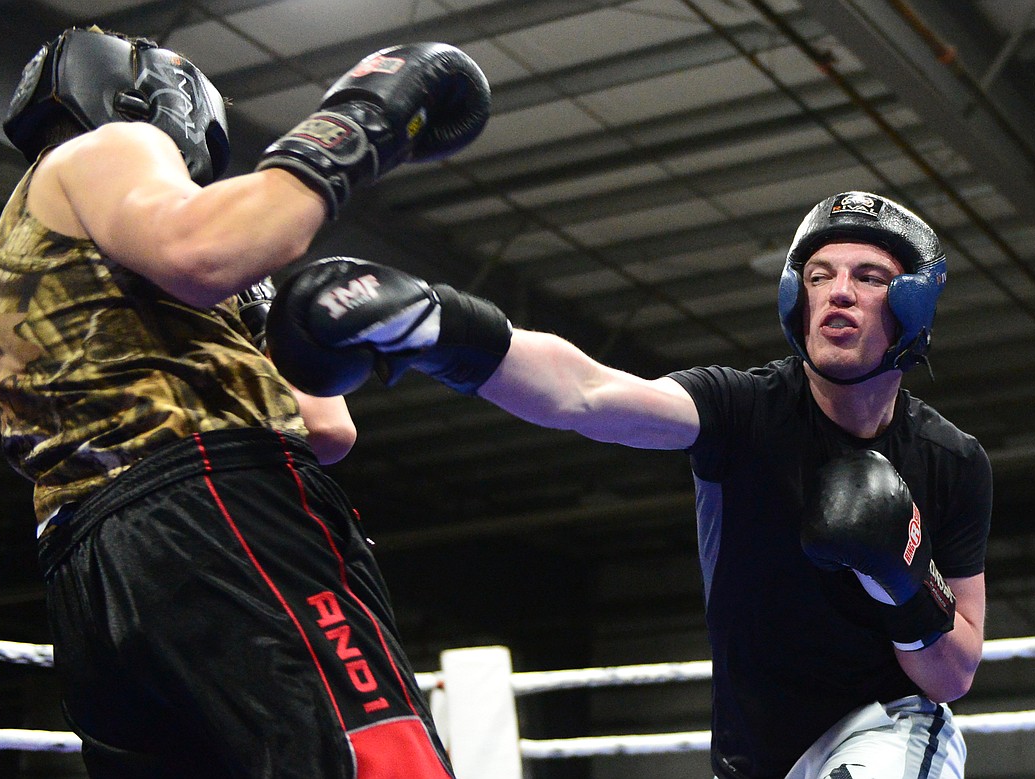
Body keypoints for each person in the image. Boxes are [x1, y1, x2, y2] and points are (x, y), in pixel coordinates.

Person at [264, 191, 993, 779]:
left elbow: (952, 673)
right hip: (754, 750)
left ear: (915, 305)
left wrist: (904, 581)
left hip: (884, 728)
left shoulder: (950, 460)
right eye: (818, 275)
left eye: (867, 276)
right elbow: (585, 393)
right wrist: (435, 325)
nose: (837, 293)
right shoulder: (741, 409)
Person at [0, 26, 490, 778]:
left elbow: (324, 423)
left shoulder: (43, 237)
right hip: (218, 509)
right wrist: (365, 114)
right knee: (375, 761)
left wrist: (272, 315)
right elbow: (204, 251)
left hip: (93, 563)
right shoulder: (109, 148)